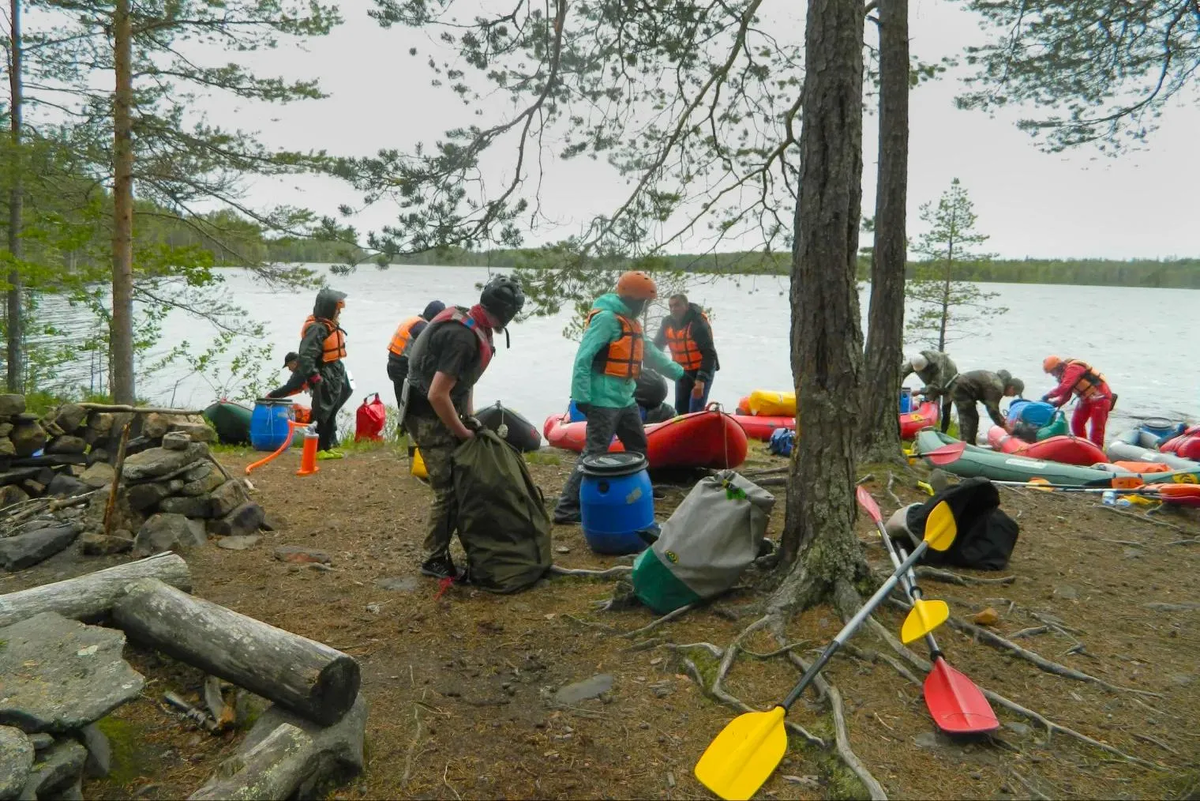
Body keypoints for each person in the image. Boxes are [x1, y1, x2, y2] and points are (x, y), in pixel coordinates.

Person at [401, 275, 525, 579]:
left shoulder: (476, 324)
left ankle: (466, 544)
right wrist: (462, 432)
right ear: (506, 312)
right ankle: (434, 559)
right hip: (426, 413)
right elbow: (437, 393)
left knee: (464, 479)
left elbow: (462, 381)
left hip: (442, 406)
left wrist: (470, 418)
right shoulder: (462, 337)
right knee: (449, 490)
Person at [553, 271, 684, 524]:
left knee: (638, 446)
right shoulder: (606, 320)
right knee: (594, 453)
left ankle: (641, 487)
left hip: (625, 398)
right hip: (602, 400)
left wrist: (681, 374)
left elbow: (651, 353)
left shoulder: (631, 322)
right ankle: (566, 508)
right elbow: (584, 358)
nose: (645, 306)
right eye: (644, 302)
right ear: (633, 300)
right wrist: (582, 397)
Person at [269, 288, 351, 459]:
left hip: (333, 372)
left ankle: (327, 446)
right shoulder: (316, 328)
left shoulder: (329, 325)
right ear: (328, 309)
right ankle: (318, 449)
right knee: (322, 413)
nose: (339, 313)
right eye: (337, 309)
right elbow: (306, 356)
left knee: (331, 411)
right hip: (322, 375)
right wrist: (315, 376)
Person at [654, 293, 719, 414]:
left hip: (703, 368)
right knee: (680, 408)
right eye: (671, 306)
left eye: (677, 305)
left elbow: (709, 354)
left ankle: (697, 429)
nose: (673, 309)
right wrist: (652, 368)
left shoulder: (697, 324)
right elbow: (657, 347)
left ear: (686, 306)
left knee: (695, 408)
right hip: (683, 371)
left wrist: (700, 381)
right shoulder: (667, 323)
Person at [1041, 356, 1117, 447]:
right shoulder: (1063, 375)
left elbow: (1065, 387)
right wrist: (1056, 403)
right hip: (1085, 399)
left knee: (1097, 426)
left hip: (1100, 396)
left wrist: (1048, 395)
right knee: (1076, 423)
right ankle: (1082, 445)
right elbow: (1066, 394)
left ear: (1058, 367)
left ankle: (1097, 448)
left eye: (1052, 372)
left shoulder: (1073, 368)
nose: (1053, 375)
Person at [386, 300, 446, 409]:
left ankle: (402, 423)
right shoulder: (422, 326)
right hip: (402, 368)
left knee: (403, 405)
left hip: (394, 365)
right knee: (411, 406)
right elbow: (433, 346)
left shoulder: (414, 320)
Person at [948, 369, 1025, 446]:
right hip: (961, 389)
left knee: (972, 417)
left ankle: (968, 443)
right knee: (969, 418)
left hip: (960, 386)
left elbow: (988, 401)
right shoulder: (998, 387)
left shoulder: (996, 381)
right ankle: (966, 445)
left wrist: (1002, 420)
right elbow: (992, 410)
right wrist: (1005, 426)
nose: (1012, 396)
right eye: (1014, 394)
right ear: (1012, 388)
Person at [900, 350, 959, 434]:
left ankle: (943, 431)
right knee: (929, 399)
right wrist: (898, 387)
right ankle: (927, 426)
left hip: (949, 380)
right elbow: (903, 372)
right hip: (931, 380)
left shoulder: (939, 366)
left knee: (946, 408)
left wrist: (920, 391)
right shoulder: (916, 360)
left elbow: (936, 386)